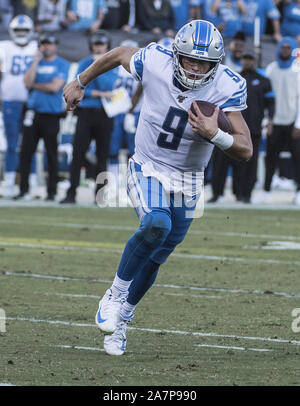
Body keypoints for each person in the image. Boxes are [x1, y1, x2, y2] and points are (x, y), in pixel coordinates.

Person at [63, 19, 252, 356]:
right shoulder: (155, 60)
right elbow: (120, 53)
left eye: (203, 63)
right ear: (176, 55)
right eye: (189, 60)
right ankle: (115, 293)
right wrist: (80, 81)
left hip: (191, 178)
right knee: (155, 224)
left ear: (216, 64)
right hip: (147, 165)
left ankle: (123, 318)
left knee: (159, 253)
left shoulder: (228, 85)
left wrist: (215, 134)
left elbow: (245, 148)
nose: (195, 69)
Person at [60, 30, 117, 204]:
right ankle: (71, 193)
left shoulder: (113, 64)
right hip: (86, 112)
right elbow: (80, 87)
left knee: (102, 155)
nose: (98, 47)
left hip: (104, 113)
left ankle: (99, 196)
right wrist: (98, 91)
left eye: (101, 44)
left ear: (107, 46)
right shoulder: (84, 62)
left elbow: (110, 85)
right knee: (78, 153)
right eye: (96, 44)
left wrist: (97, 67)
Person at [16, 33, 70, 201]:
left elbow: (55, 87)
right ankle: (23, 189)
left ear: (56, 45)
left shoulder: (62, 64)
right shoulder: (34, 63)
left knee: (51, 154)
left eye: (49, 43)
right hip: (33, 113)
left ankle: (51, 191)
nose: (46, 47)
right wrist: (35, 61)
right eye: (44, 43)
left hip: (52, 114)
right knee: (26, 153)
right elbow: (26, 82)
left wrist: (35, 85)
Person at [256, 37, 300, 205]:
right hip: (275, 121)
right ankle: (266, 191)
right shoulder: (271, 69)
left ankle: (298, 192)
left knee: (298, 158)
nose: (285, 51)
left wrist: (298, 124)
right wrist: (268, 120)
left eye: (289, 48)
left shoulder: (297, 70)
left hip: (292, 122)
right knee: (270, 158)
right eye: (283, 48)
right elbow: (266, 98)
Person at [0, 14, 37, 199]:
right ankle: (8, 185)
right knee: (12, 144)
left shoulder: (36, 48)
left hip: (31, 103)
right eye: (18, 30)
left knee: (29, 145)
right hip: (9, 101)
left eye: (24, 30)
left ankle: (28, 185)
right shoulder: (4, 47)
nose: (21, 34)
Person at [236, 51, 275, 203]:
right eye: (245, 59)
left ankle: (247, 194)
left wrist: (270, 120)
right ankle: (238, 193)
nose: (248, 62)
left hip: (255, 128)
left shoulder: (264, 80)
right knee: (237, 161)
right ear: (242, 61)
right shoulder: (236, 79)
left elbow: (270, 103)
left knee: (251, 163)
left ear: (255, 61)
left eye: (250, 59)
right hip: (237, 128)